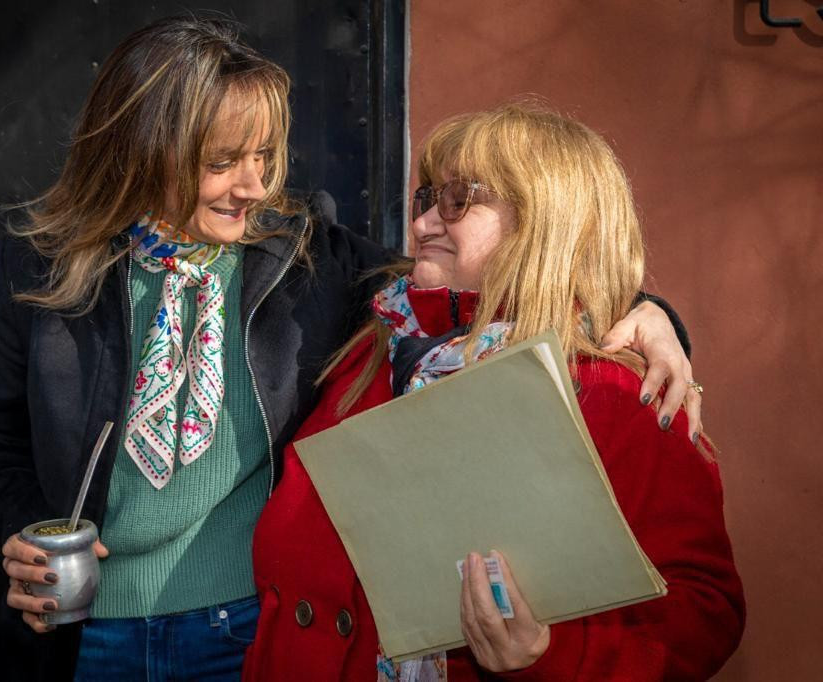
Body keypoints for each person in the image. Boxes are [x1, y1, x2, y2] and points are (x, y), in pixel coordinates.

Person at [0, 17, 697, 682]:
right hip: (82, 639)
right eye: (222, 161)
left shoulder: (309, 257)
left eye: (265, 156)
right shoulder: (43, 267)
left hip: (241, 631)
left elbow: (467, 286)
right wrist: (24, 529)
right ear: (147, 150)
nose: (252, 186)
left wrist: (644, 312)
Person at [242, 104, 744, 681]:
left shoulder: (614, 395)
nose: (424, 224)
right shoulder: (374, 347)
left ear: (541, 221)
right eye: (426, 199)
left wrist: (549, 655)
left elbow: (702, 616)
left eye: (458, 201)